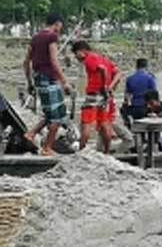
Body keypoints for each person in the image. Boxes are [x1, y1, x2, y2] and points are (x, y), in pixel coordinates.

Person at [23, 13, 70, 156]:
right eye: (60, 25)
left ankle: (31, 133)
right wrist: (65, 81)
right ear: (57, 23)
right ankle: (46, 148)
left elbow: (26, 62)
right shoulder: (51, 37)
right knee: (56, 117)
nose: (60, 28)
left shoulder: (35, 37)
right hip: (49, 78)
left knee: (54, 113)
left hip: (38, 78)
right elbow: (54, 61)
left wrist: (30, 82)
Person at [71, 40, 123, 154]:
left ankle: (81, 152)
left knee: (86, 123)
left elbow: (102, 70)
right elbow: (119, 73)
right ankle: (106, 151)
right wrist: (110, 87)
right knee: (104, 124)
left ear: (82, 51)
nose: (76, 57)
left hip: (94, 94)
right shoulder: (103, 59)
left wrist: (104, 86)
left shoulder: (89, 59)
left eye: (76, 54)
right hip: (104, 97)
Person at [123, 58, 157, 124]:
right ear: (147, 66)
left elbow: (126, 96)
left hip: (134, 108)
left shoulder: (130, 79)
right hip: (146, 108)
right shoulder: (150, 78)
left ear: (136, 66)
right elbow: (154, 95)